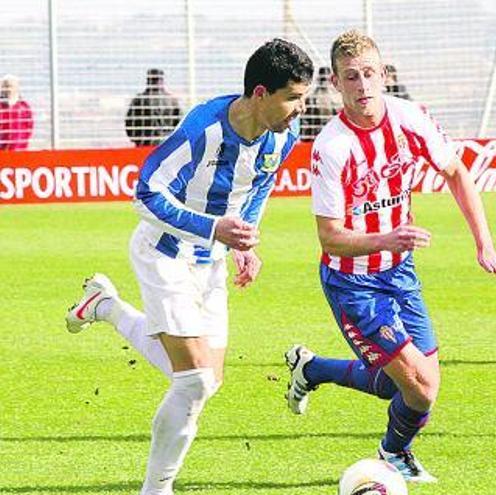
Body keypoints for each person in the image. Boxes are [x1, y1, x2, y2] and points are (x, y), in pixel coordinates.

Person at [65, 39, 313, 495]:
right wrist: (215, 228)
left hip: (210, 260)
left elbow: (260, 183)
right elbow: (146, 193)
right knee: (195, 381)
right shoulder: (205, 129)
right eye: (293, 98)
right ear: (261, 94)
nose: (301, 109)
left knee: (204, 380)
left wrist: (246, 242)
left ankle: (106, 307)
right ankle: (156, 489)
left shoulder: (283, 135)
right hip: (164, 254)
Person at [284, 29, 496, 482]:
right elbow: (330, 238)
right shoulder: (331, 148)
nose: (363, 85)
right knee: (421, 388)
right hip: (353, 283)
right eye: (351, 77)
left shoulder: (410, 118)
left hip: (399, 271)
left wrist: (484, 243)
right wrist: (385, 239)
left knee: (408, 384)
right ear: (335, 83)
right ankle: (393, 454)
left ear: (384, 74)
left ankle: (310, 368)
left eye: (370, 73)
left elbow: (455, 170)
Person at [125, 68, 183, 146]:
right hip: (166, 144)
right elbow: (179, 125)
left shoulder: (139, 100)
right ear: (161, 80)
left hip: (145, 145)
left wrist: (138, 140)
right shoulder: (172, 101)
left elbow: (130, 125)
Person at [301, 66, 341, 141]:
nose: (325, 82)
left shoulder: (337, 98)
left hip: (332, 135)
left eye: (326, 79)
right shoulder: (312, 98)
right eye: (323, 79)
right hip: (315, 136)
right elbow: (306, 121)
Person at [0, 75, 34, 150]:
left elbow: (29, 127)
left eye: (10, 86)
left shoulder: (24, 107)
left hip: (19, 150)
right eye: (4, 86)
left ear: (17, 88)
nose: (7, 89)